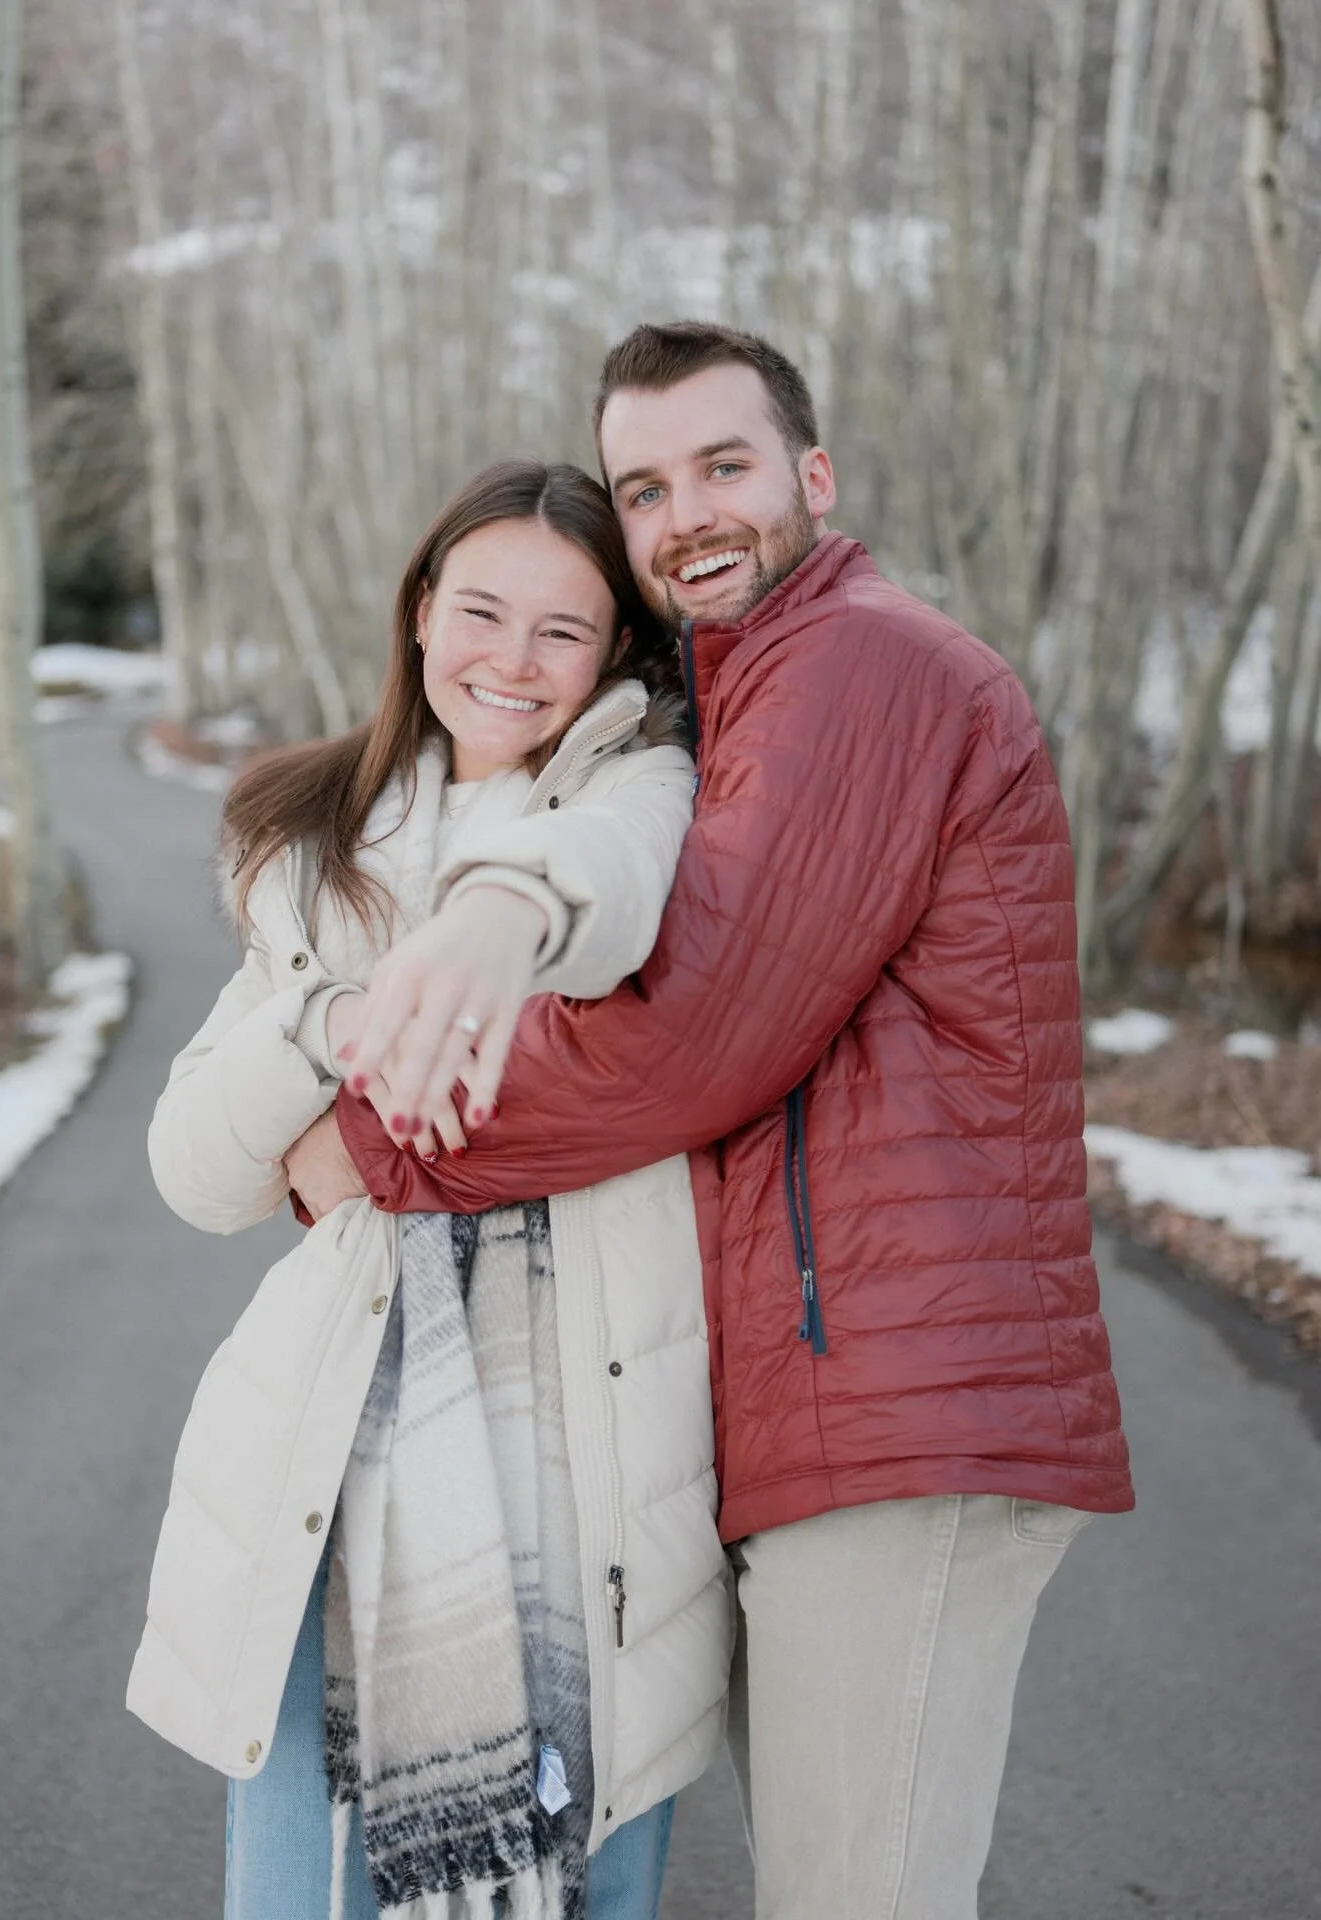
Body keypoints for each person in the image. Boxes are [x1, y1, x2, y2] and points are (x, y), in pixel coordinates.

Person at [317, 323, 1137, 1920]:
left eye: (724, 466)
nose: (688, 511)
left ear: (810, 477)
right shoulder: (743, 692)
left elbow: (689, 1038)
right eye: (645, 485)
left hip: (902, 1405)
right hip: (822, 1413)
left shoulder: (864, 666)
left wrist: (366, 1144)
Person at [129, 458, 733, 1920]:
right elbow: (200, 1167)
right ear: (417, 614)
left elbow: (610, 880)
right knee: (295, 1884)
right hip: (321, 1464)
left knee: (580, 1873)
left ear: (617, 657)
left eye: (562, 631)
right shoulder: (312, 843)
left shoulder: (648, 797)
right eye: (480, 611)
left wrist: (494, 929)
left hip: (582, 1471)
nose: (511, 663)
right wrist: (333, 1027)